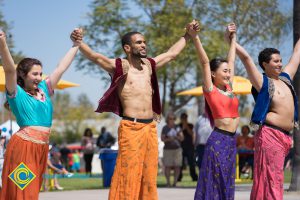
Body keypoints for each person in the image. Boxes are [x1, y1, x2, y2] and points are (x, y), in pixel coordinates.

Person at [70, 20, 199, 200]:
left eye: (144, 42)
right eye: (139, 42)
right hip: (131, 128)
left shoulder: (149, 66)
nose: (144, 45)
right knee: (128, 173)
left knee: (149, 174)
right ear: (127, 48)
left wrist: (188, 35)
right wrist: (79, 42)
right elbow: (94, 56)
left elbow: (171, 54)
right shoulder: (120, 67)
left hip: (150, 129)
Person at [0, 29, 80, 199]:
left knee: (33, 190)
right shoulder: (16, 93)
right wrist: (2, 43)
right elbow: (9, 70)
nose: (38, 77)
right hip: (24, 147)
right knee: (23, 190)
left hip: (42, 147)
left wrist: (75, 45)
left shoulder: (44, 89)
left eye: (40, 74)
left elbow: (61, 68)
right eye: (34, 74)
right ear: (23, 74)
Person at [235, 29, 300, 200]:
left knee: (272, 178)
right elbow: (246, 59)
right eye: (276, 61)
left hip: (285, 137)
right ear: (265, 64)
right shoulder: (262, 82)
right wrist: (231, 39)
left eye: (280, 61)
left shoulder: (286, 79)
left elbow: (297, 53)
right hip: (270, 135)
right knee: (272, 179)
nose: (280, 64)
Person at [188, 23, 239, 200]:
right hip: (218, 140)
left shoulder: (229, 88)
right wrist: (195, 37)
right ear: (213, 74)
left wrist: (233, 38)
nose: (228, 74)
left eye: (228, 72)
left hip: (232, 141)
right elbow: (204, 62)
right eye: (224, 71)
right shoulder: (211, 90)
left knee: (227, 181)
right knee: (216, 182)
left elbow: (231, 60)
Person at [161, 113, 184, 187]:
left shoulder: (177, 127)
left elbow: (182, 138)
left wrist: (177, 137)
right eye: (170, 118)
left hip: (177, 149)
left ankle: (175, 183)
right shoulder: (165, 128)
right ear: (168, 119)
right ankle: (168, 183)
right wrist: (169, 139)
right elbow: (162, 139)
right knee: (167, 166)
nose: (172, 120)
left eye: (173, 118)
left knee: (177, 166)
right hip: (167, 149)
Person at [177, 112, 198, 182]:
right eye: (183, 118)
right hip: (181, 147)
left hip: (189, 147)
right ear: (181, 119)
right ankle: (179, 177)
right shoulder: (178, 126)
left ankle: (194, 177)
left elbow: (191, 133)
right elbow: (177, 134)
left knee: (191, 163)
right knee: (180, 163)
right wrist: (182, 128)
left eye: (185, 118)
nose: (184, 119)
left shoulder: (190, 125)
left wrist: (186, 127)